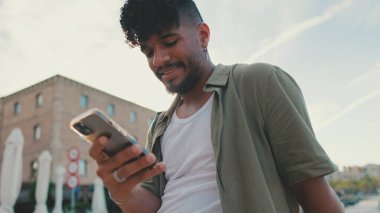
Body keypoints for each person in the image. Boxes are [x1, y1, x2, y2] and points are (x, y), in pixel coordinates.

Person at [89, 0, 345, 212]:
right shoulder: (159, 126)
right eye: (148, 52)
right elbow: (150, 204)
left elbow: (313, 191)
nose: (159, 60)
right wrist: (120, 191)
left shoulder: (259, 83)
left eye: (169, 42)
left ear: (203, 36)